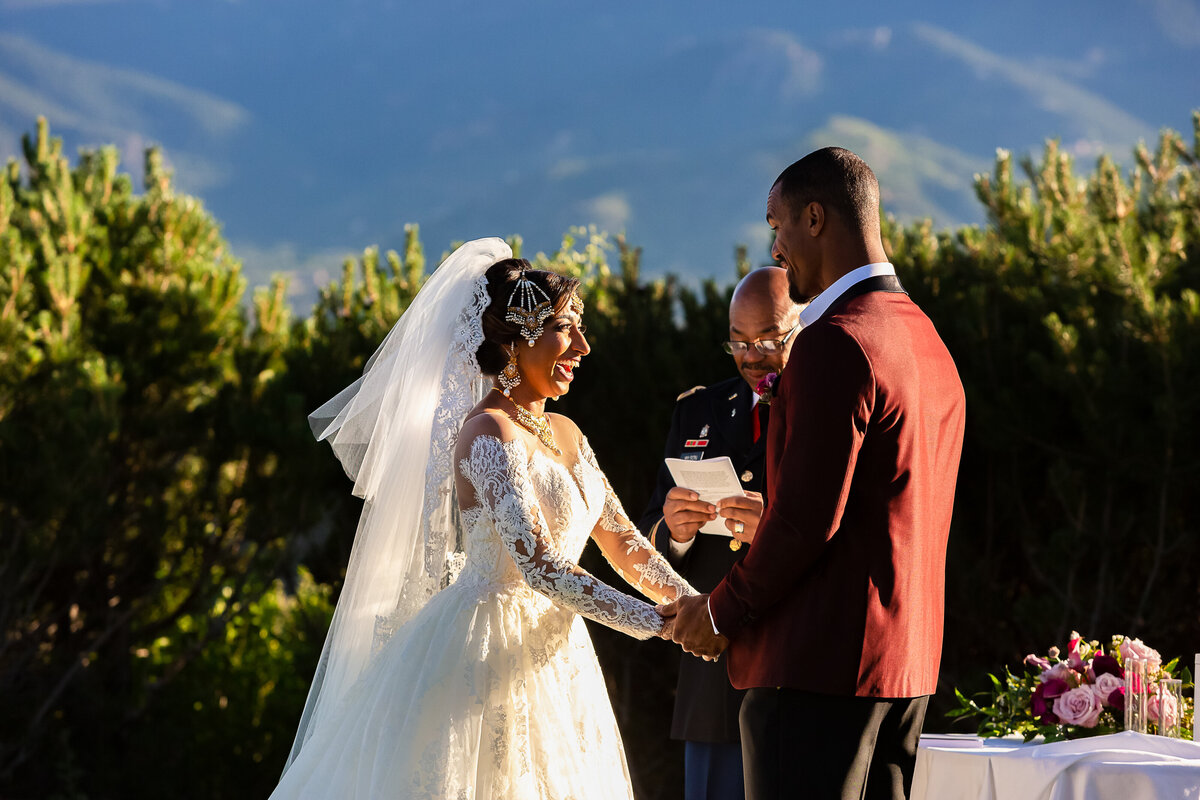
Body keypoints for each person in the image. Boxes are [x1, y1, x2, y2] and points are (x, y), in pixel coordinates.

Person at [271, 238, 697, 800]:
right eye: (567, 327)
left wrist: (698, 605)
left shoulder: (568, 433)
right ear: (519, 338)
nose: (584, 347)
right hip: (485, 649)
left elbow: (621, 540)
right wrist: (660, 623)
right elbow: (542, 567)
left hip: (557, 649)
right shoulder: (487, 432)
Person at [661, 147, 967, 800]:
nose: (776, 249)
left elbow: (804, 521)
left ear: (816, 218)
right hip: (905, 668)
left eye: (778, 226)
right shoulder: (926, 339)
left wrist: (719, 612)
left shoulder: (837, 341)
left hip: (816, 674)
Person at [638, 266, 800, 800]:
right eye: (738, 342)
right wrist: (677, 533)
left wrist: (773, 532)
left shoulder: (820, 410)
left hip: (794, 665)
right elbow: (650, 536)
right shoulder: (697, 410)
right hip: (713, 676)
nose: (752, 357)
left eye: (769, 340)